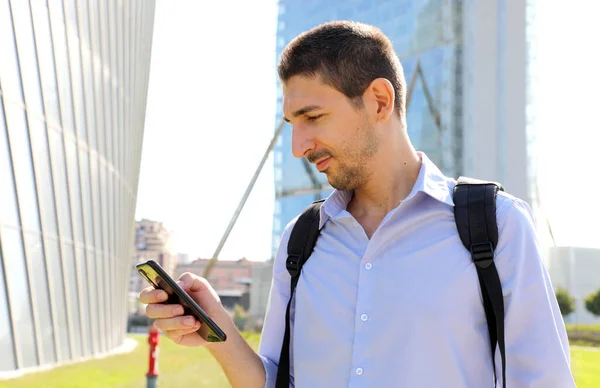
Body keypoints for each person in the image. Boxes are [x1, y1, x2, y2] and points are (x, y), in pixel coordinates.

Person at [140, 21, 575, 387]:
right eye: (292, 124)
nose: (298, 146)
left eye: (312, 118)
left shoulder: (497, 225)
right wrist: (218, 329)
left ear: (380, 102)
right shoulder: (302, 240)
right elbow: (276, 379)